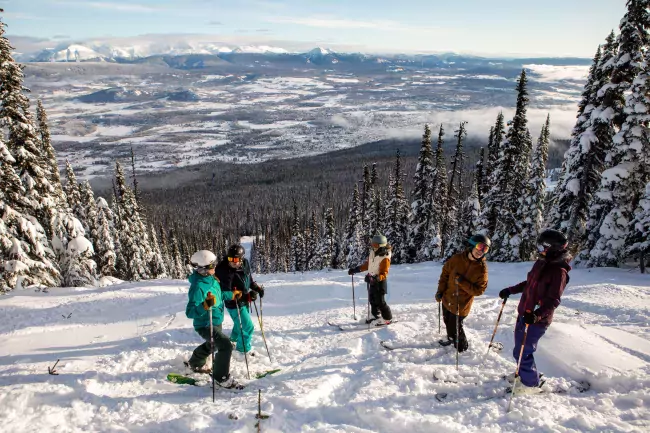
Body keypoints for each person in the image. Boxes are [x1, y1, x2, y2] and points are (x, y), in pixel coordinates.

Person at [499, 229, 571, 395]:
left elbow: (553, 301)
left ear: (553, 248)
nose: (539, 249)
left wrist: (537, 315)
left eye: (543, 246)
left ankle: (530, 384)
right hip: (525, 313)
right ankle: (524, 374)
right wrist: (510, 290)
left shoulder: (558, 272)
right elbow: (529, 283)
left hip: (536, 319)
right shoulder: (541, 262)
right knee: (519, 349)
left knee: (523, 351)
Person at [185, 249, 243, 389]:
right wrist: (205, 306)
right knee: (225, 345)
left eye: (214, 264)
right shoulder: (198, 287)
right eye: (212, 266)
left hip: (216, 320)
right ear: (203, 269)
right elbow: (190, 312)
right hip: (205, 324)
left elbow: (219, 295)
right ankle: (221, 378)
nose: (215, 267)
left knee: (214, 344)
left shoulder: (211, 278)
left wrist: (231, 295)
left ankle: (195, 362)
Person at [435, 234, 490, 352]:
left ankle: (462, 348)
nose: (481, 251)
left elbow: (479, 290)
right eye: (480, 246)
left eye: (485, 249)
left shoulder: (482, 270)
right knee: (447, 321)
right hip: (447, 298)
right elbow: (445, 274)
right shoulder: (457, 259)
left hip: (462, 304)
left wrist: (462, 282)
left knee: (456, 327)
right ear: (472, 245)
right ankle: (451, 338)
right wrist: (440, 291)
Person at [214, 244, 265, 356]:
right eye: (230, 259)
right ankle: (243, 350)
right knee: (248, 327)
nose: (233, 262)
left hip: (244, 301)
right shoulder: (223, 270)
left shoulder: (245, 264)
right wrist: (245, 296)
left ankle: (233, 339)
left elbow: (248, 279)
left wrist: (256, 288)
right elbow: (223, 293)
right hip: (234, 304)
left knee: (239, 323)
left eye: (236, 259)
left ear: (241, 259)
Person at [348, 234, 393, 325]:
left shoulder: (385, 257)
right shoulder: (373, 252)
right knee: (372, 299)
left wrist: (376, 278)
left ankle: (388, 319)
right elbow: (367, 265)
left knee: (380, 301)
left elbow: (384, 273)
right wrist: (356, 270)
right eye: (373, 244)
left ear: (381, 245)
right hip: (371, 279)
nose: (373, 246)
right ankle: (375, 316)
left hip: (380, 281)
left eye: (375, 245)